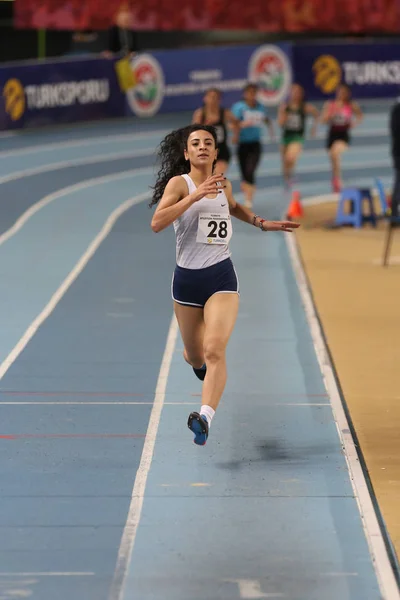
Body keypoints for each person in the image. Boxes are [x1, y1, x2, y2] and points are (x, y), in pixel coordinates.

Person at [150, 124, 299, 446]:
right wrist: (194, 196)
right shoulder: (180, 184)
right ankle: (198, 367)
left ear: (216, 152)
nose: (202, 147)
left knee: (214, 348)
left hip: (220, 276)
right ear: (186, 153)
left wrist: (261, 223)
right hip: (187, 282)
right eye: (196, 143)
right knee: (194, 356)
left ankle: (204, 417)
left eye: (208, 143)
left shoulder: (224, 184)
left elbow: (232, 208)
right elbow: (157, 223)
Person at [231, 83, 275, 208]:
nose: (252, 95)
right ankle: (246, 187)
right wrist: (240, 127)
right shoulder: (239, 107)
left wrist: (271, 131)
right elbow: (232, 124)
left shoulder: (260, 107)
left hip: (255, 144)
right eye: (249, 92)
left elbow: (265, 119)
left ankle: (248, 199)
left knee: (251, 170)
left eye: (254, 93)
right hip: (242, 144)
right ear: (245, 94)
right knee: (244, 173)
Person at [320, 83, 363, 192]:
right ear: (337, 92)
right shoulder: (330, 104)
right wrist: (331, 114)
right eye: (340, 92)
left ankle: (338, 181)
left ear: (348, 94)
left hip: (343, 136)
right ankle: (335, 180)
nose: (342, 94)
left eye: (344, 92)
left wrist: (354, 123)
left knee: (335, 152)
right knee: (333, 159)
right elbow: (323, 120)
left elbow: (360, 115)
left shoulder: (351, 105)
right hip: (332, 135)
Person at [278, 83, 319, 188]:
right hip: (286, 137)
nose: (296, 94)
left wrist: (314, 128)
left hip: (297, 137)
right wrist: (284, 115)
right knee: (285, 163)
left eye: (298, 92)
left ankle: (291, 178)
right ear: (290, 93)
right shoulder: (285, 107)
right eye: (294, 92)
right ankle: (287, 180)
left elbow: (316, 113)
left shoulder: (304, 107)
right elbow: (280, 123)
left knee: (290, 157)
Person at [192, 88, 237, 175]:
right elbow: (193, 134)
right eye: (211, 97)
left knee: (217, 175)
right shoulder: (200, 114)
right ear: (205, 98)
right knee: (207, 178)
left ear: (220, 100)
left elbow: (236, 123)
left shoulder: (224, 113)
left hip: (222, 150)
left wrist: (235, 135)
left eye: (216, 97)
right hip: (205, 151)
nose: (213, 100)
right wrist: (204, 126)